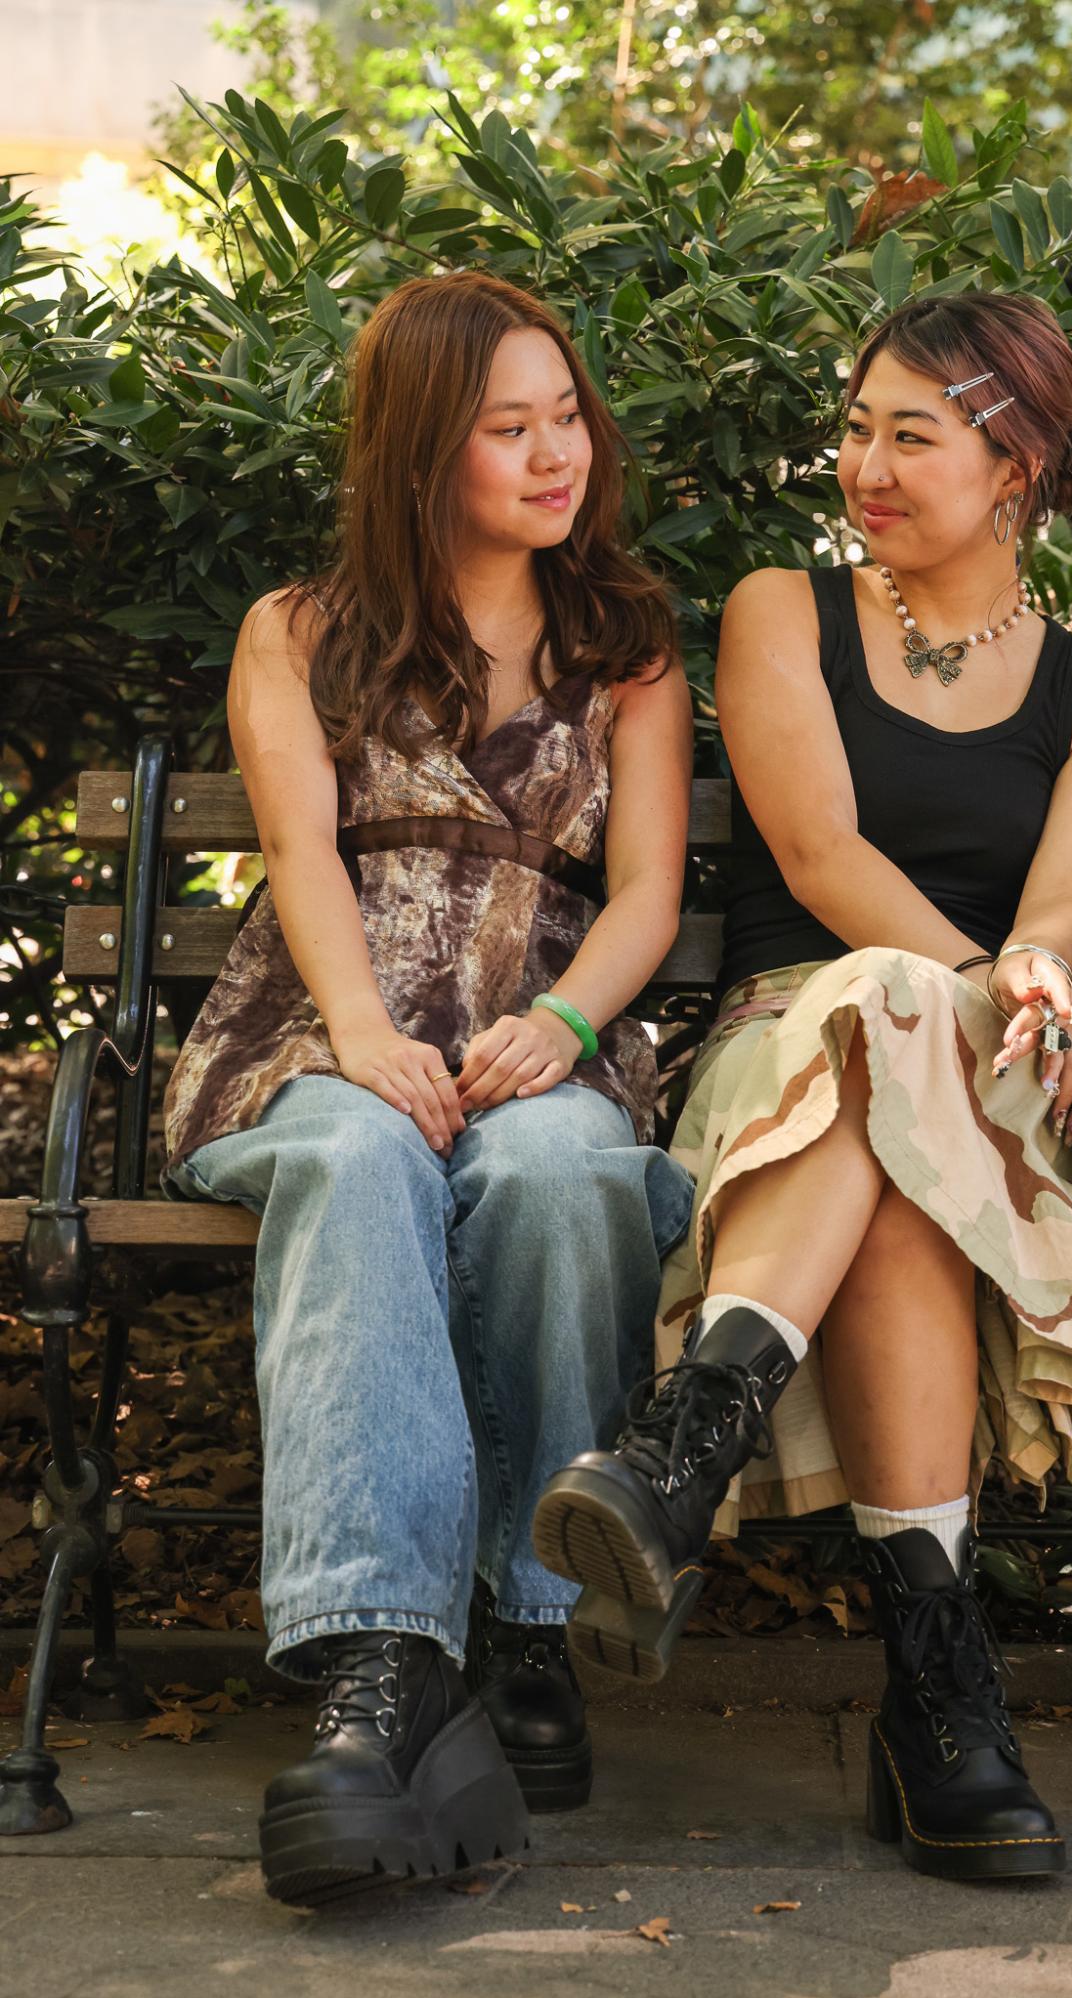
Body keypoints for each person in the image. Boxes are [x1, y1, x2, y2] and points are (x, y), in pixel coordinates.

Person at [534, 292, 1072, 1881]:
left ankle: (689, 1442)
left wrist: (1029, 971)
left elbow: (1068, 909)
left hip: (983, 1078)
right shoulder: (778, 612)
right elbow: (815, 853)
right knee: (888, 1088)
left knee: (911, 1079)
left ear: (1012, 459)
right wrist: (983, 978)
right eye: (856, 425)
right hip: (782, 1045)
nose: (862, 462)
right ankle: (938, 1692)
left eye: (910, 432)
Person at [161, 271, 695, 1906]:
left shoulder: (628, 644)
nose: (557, 455)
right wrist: (359, 1036)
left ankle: (525, 1634)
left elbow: (649, 895)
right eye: (507, 427)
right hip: (318, 1029)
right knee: (360, 1157)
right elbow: (304, 859)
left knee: (562, 1176)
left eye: (567, 416)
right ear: (417, 450)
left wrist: (568, 1024)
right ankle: (380, 1653)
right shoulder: (301, 629)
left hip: (537, 1028)